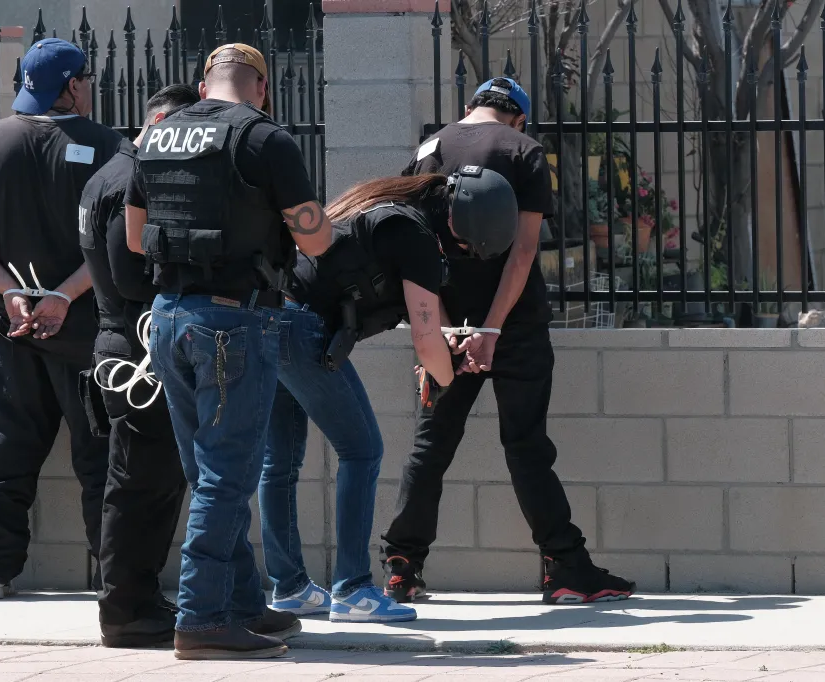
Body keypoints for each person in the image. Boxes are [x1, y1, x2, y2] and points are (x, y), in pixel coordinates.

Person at [380, 77, 636, 605]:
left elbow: (416, 252)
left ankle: (402, 567)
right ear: (518, 117)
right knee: (526, 446)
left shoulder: (429, 150)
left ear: (470, 107)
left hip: (447, 325)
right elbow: (522, 255)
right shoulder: (524, 151)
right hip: (514, 327)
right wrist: (491, 331)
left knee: (432, 445)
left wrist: (450, 329)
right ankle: (565, 568)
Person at [124, 43, 333, 660]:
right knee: (228, 474)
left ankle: (241, 603)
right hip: (233, 321)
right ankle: (202, 618)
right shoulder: (266, 140)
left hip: (166, 319)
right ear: (261, 88)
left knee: (208, 472)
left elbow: (137, 239)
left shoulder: (159, 135)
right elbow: (314, 239)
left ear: (203, 82)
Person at [260, 168, 518, 624]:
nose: (460, 252)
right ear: (459, 223)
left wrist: (441, 351)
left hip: (271, 319)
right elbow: (425, 340)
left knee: (278, 464)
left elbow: (425, 331)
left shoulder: (381, 204)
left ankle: (290, 587)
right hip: (301, 331)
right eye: (464, 246)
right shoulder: (414, 234)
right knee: (362, 451)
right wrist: (449, 371)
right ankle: (354, 590)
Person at [0, 38, 122, 599]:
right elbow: (117, 241)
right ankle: (111, 575)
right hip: (87, 331)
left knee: (2, 448)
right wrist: (64, 295)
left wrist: (10, 292)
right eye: (86, 79)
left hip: (12, 328)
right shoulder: (109, 148)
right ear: (72, 84)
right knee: (100, 455)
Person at [78, 83, 200, 648]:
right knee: (140, 486)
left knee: (146, 485)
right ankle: (126, 609)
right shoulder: (132, 177)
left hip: (121, 345)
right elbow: (130, 276)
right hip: (136, 350)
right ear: (159, 122)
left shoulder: (109, 172)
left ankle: (139, 600)